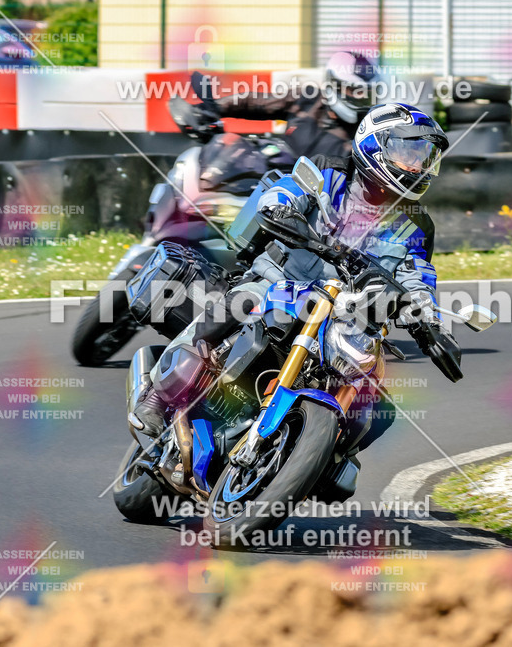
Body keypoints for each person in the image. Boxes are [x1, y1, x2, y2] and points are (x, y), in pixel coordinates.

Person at [130, 102, 456, 440]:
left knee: (379, 409)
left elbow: (417, 279)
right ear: (375, 144)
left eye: (425, 157)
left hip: (342, 321)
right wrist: (291, 218)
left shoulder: (416, 227)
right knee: (234, 309)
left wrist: (431, 327)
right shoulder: (328, 173)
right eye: (409, 153)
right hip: (277, 284)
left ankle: (325, 466)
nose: (417, 166)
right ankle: (157, 398)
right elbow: (280, 198)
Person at [195, 51, 380, 159]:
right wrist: (217, 107)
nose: (361, 97)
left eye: (365, 92)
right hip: (269, 176)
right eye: (355, 90)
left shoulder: (365, 134)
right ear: (335, 85)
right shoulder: (308, 99)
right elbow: (257, 102)